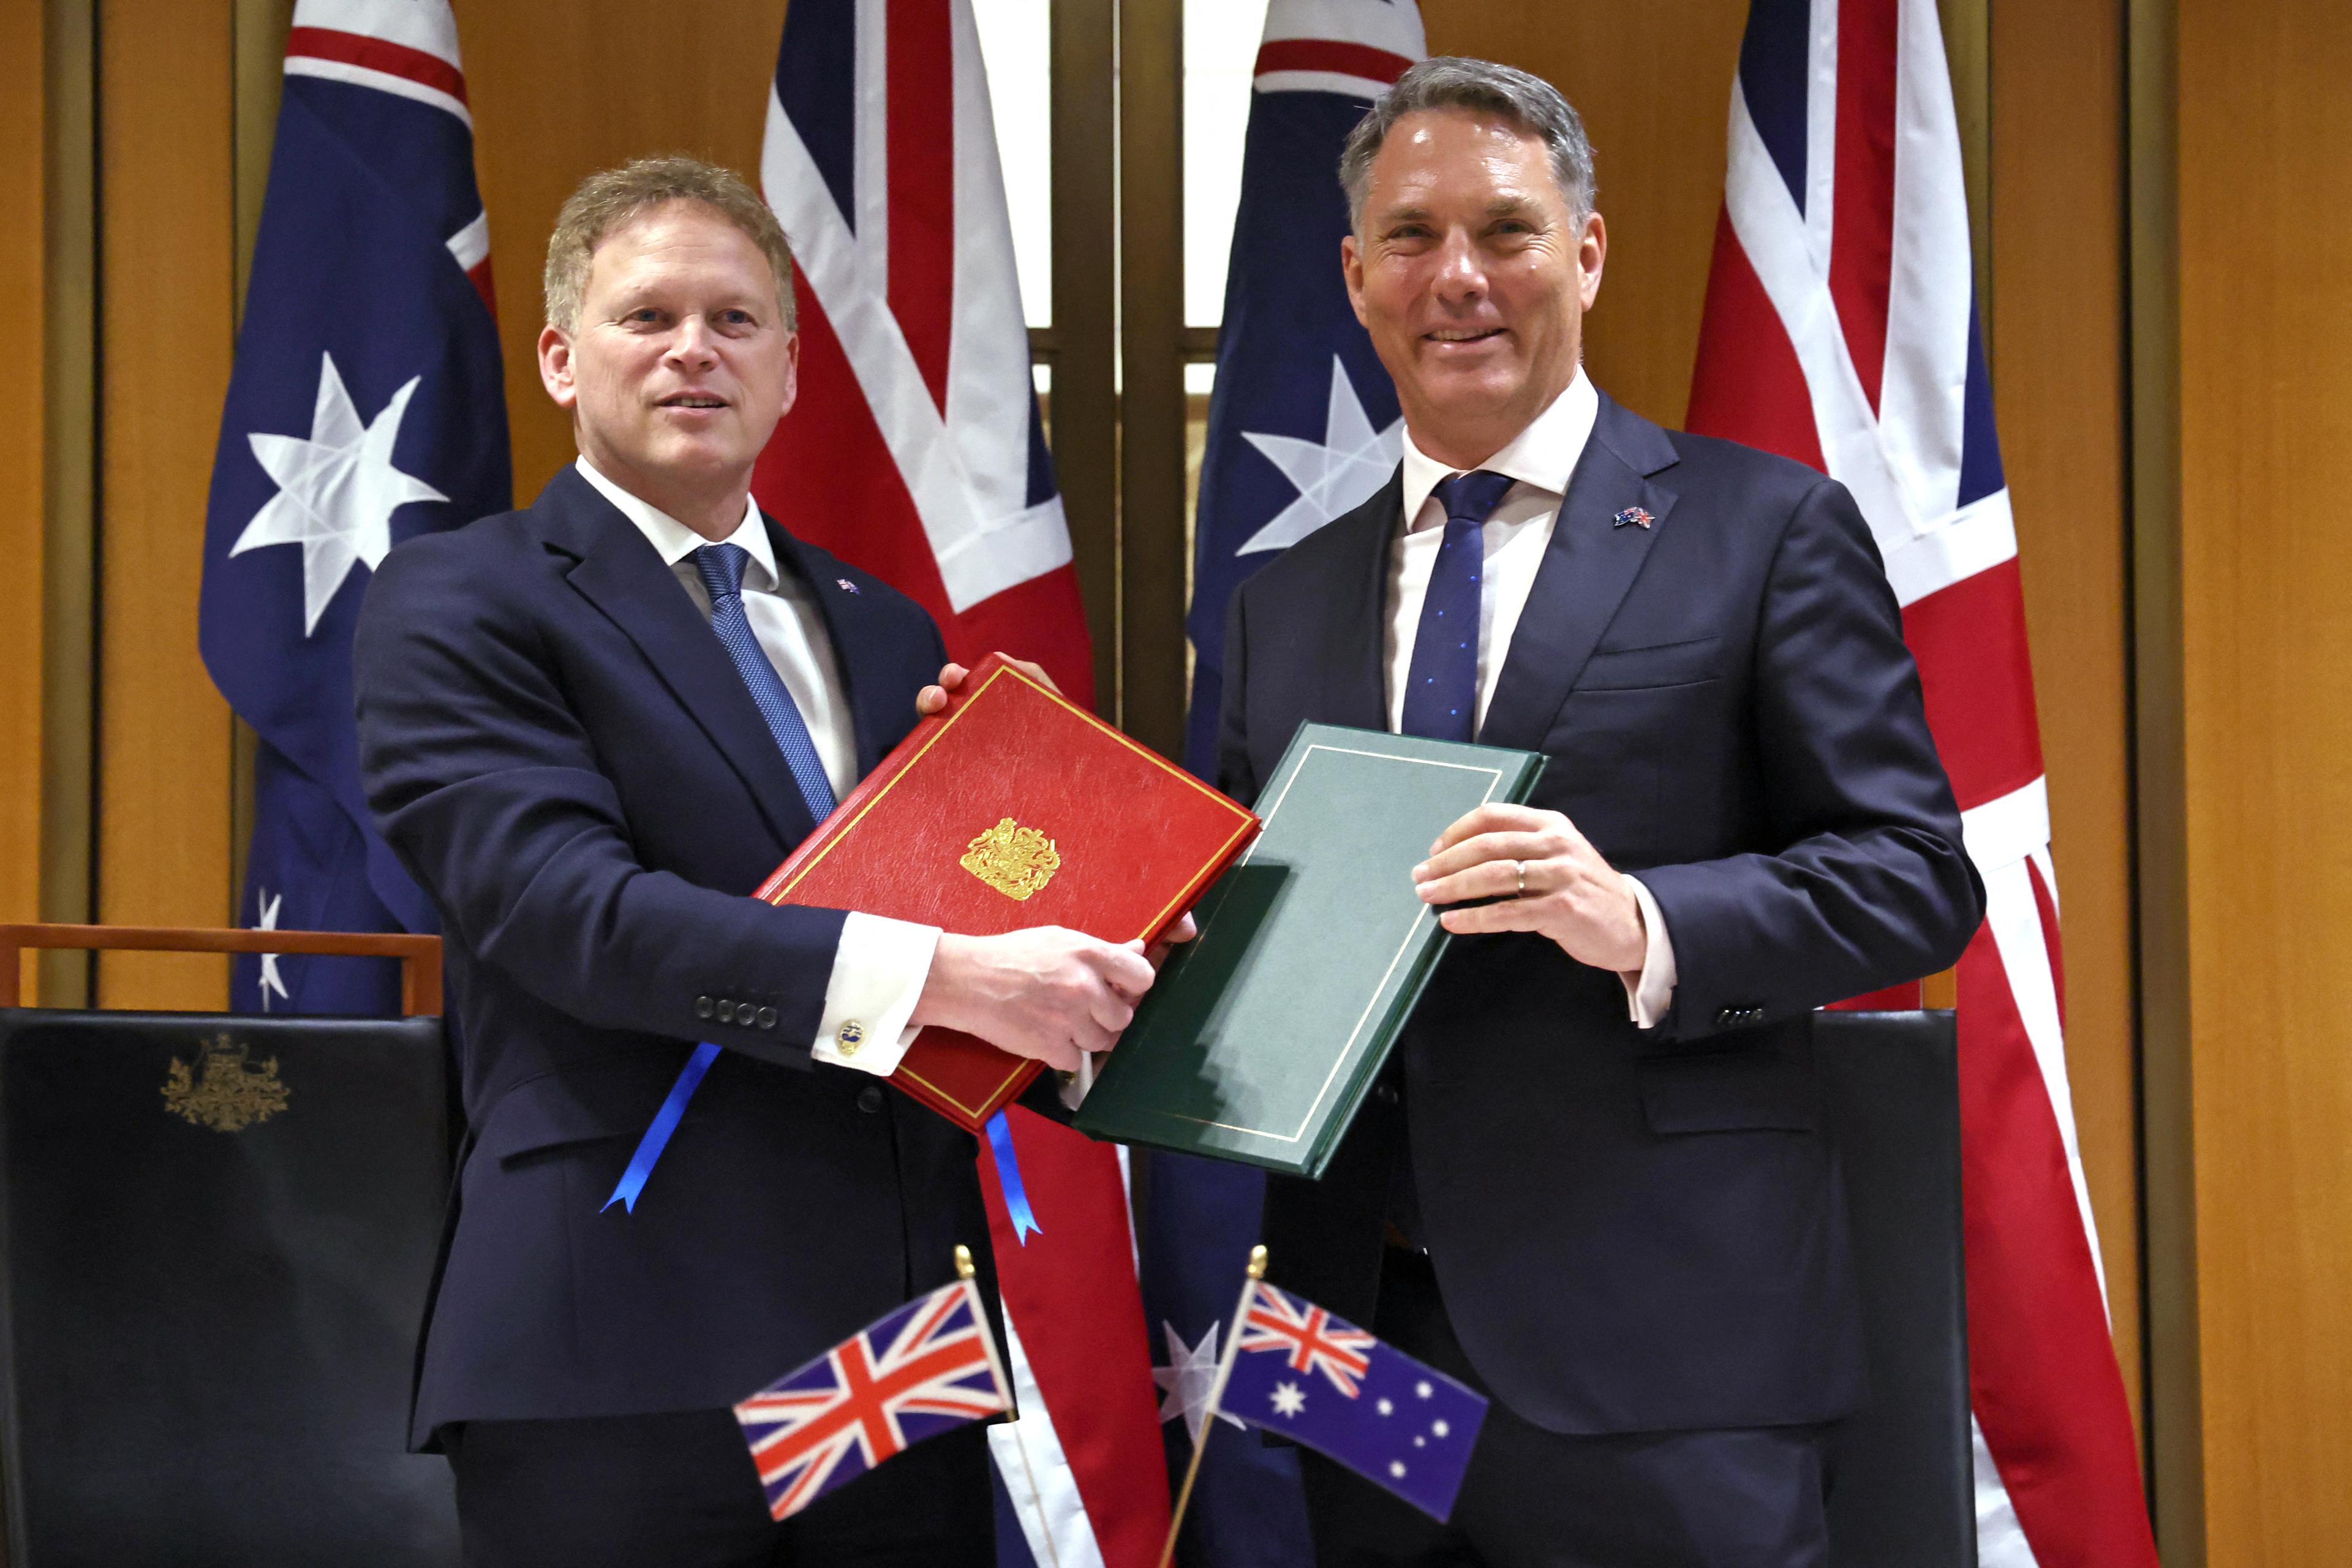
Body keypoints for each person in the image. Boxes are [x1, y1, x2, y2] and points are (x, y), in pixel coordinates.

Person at [1216, 59, 1986, 1566]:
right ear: (1356, 274)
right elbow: (1254, 932)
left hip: (1671, 1354)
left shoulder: (1763, 530)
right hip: (1358, 1338)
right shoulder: (1280, 601)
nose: (1459, 279)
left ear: (1587, 251)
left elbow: (1913, 875)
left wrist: (1639, 917)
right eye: (1414, 235)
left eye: (1505, 231)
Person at [354, 157, 1156, 1567]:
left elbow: (966, 945)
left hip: (896, 1347)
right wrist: (952, 971)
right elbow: (567, 915)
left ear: (790, 368)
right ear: (559, 357)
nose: (691, 350)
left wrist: (1092, 978)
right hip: (618, 1341)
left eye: (734, 321)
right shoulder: (458, 599)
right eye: (644, 315)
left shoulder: (892, 629)